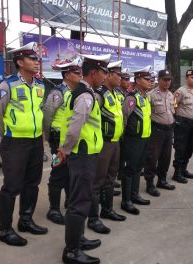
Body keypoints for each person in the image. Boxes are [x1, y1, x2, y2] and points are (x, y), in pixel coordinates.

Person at [0, 42, 48, 247]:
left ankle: (25, 220)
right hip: (14, 143)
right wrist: (8, 135)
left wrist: (40, 137)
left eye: (36, 59)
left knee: (32, 183)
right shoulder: (7, 86)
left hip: (35, 142)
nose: (36, 62)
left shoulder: (40, 86)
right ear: (20, 62)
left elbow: (40, 112)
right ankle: (5, 229)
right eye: (32, 59)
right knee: (12, 186)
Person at [57, 53, 110, 264]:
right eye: (104, 73)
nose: (105, 77)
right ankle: (71, 251)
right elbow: (75, 127)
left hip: (86, 153)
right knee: (79, 202)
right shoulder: (86, 96)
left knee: (82, 198)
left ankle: (78, 238)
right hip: (82, 155)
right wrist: (66, 149)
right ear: (94, 72)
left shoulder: (86, 92)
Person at [87, 60, 127, 235]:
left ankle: (107, 209)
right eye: (118, 75)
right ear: (109, 75)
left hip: (115, 142)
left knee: (110, 178)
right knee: (97, 181)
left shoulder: (117, 94)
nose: (121, 78)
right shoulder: (99, 94)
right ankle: (93, 219)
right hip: (103, 143)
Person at [42, 57, 82, 225]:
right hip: (58, 139)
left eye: (79, 71)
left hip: (71, 139)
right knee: (58, 171)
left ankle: (68, 201)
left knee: (70, 172)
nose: (79, 74)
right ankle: (54, 209)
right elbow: (47, 115)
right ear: (66, 75)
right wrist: (48, 137)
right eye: (75, 72)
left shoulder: (77, 91)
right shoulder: (58, 93)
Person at [120, 65, 153, 215]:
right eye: (146, 79)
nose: (150, 81)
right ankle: (126, 201)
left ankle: (134, 195)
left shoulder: (145, 97)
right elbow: (123, 117)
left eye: (150, 79)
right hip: (132, 140)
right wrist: (125, 137)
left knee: (138, 168)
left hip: (144, 139)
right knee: (129, 170)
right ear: (138, 80)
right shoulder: (132, 98)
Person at [144, 69, 176, 197]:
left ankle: (162, 180)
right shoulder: (150, 95)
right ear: (159, 80)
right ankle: (150, 183)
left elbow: (173, 111)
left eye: (169, 80)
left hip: (169, 129)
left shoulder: (171, 95)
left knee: (166, 156)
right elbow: (147, 114)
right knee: (152, 157)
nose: (167, 82)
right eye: (165, 79)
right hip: (156, 130)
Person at [172, 69, 193, 184]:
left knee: (190, 147)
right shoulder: (181, 91)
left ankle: (184, 169)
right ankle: (177, 173)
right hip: (182, 123)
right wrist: (177, 119)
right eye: (192, 77)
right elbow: (173, 105)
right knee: (181, 148)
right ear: (186, 78)